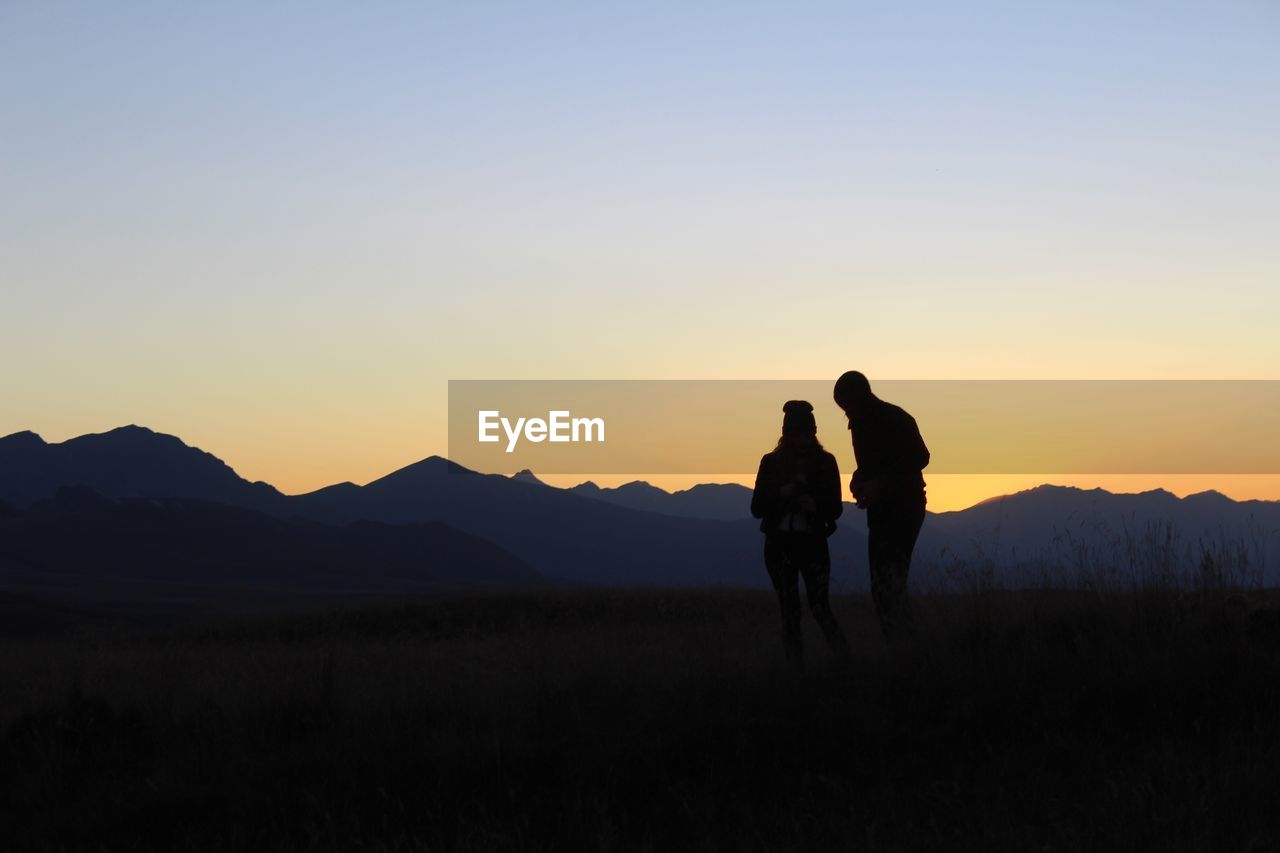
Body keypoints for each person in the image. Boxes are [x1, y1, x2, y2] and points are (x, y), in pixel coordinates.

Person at [750, 400, 850, 668]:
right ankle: (803, 669)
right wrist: (785, 495)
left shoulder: (825, 463)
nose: (803, 440)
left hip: (810, 542)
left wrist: (814, 506)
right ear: (788, 435)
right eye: (798, 434)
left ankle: (841, 663)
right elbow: (757, 507)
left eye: (807, 434)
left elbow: (835, 508)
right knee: (790, 610)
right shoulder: (771, 463)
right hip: (783, 544)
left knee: (818, 607)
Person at [833, 371, 929, 641]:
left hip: (905, 507)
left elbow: (921, 457)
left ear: (859, 399)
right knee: (882, 585)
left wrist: (881, 484)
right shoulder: (860, 423)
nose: (845, 415)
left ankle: (905, 646)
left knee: (889, 582)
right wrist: (859, 481)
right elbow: (871, 466)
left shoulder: (896, 418)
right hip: (880, 510)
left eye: (846, 407)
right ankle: (901, 644)